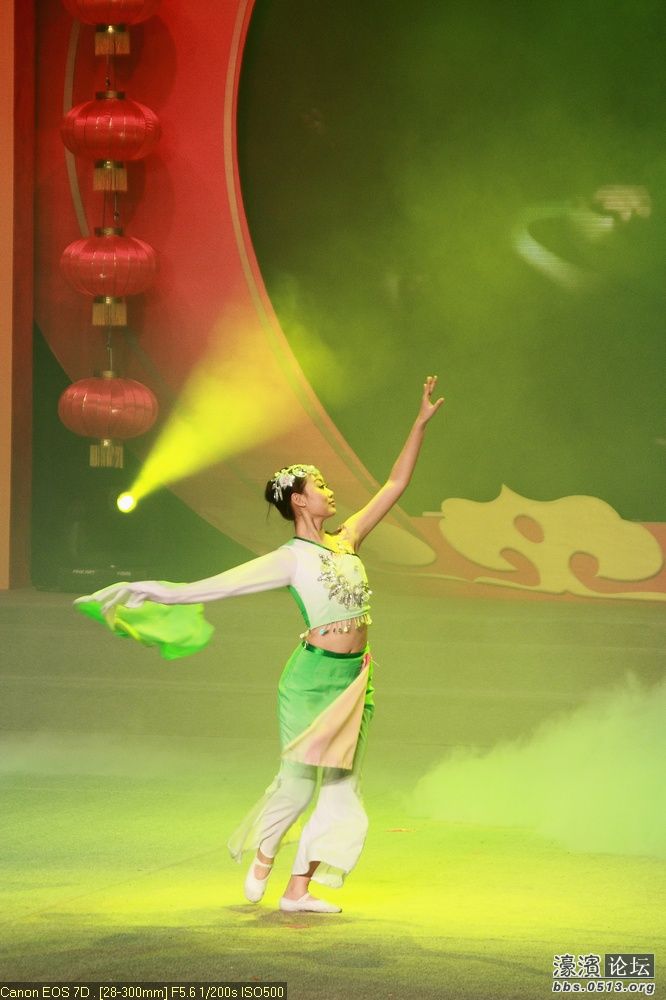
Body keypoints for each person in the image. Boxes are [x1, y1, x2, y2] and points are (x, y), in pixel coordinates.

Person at [78, 375, 444, 913]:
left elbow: (394, 484)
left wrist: (419, 424)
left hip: (354, 680)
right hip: (309, 681)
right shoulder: (288, 559)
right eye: (320, 485)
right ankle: (265, 854)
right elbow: (214, 588)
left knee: (341, 790)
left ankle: (298, 891)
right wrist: (150, 589)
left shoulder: (348, 539)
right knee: (298, 788)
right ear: (299, 500)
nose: (329, 491)